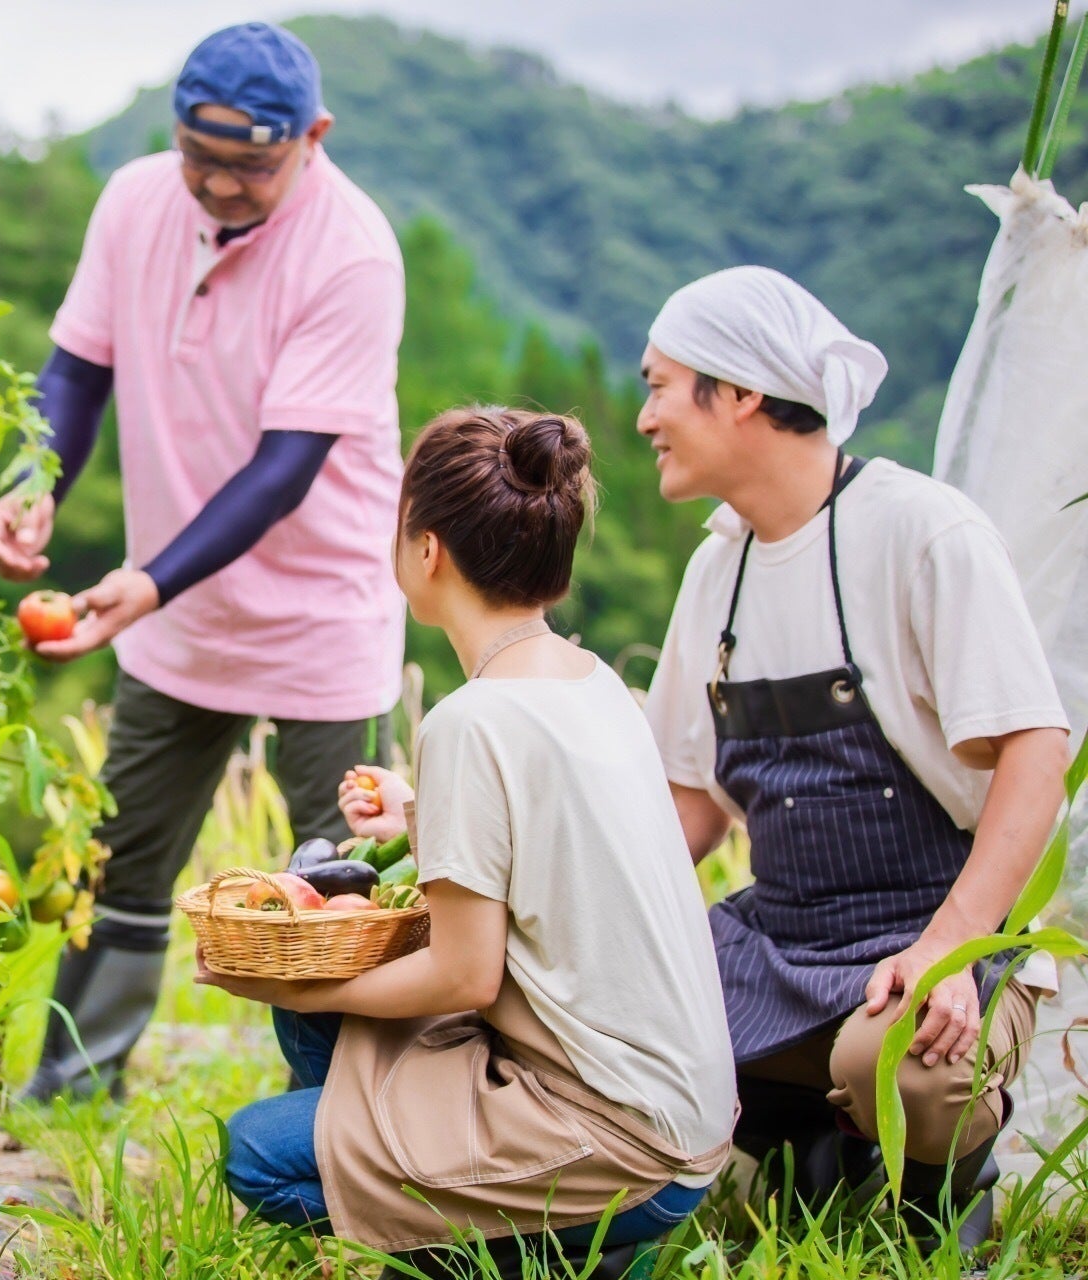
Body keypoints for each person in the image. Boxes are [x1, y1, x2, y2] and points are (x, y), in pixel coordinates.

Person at [0, 22, 407, 1101]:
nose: (217, 183)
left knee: (341, 882)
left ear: (314, 137)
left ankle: (349, 1111)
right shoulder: (133, 201)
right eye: (198, 156)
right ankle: (76, 1085)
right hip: (174, 605)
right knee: (123, 854)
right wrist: (38, 482)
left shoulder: (352, 252)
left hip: (321, 612)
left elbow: (285, 468)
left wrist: (148, 579)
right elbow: (75, 371)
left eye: (251, 165)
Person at [201, 408, 736, 1264]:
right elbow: (552, 839)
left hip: (615, 1138)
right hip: (682, 1113)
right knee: (332, 1034)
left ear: (427, 550)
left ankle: (516, 1247)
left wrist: (299, 990)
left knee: (260, 1154)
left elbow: (464, 973)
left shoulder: (471, 722)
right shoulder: (591, 683)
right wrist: (423, 811)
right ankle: (429, 1178)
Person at [637, 266, 1072, 1241]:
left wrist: (951, 946)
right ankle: (807, 1155)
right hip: (783, 934)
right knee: (627, 1004)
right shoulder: (719, 566)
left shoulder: (919, 530)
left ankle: (942, 1194)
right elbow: (693, 809)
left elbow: (1035, 753)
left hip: (932, 939)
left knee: (905, 1061)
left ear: (741, 391)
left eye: (660, 385)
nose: (645, 416)